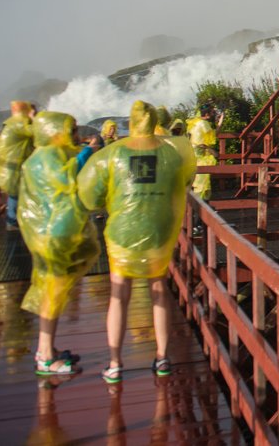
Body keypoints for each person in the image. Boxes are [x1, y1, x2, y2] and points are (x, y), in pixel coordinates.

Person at [77, 100, 196, 384]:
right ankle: (163, 357)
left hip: (122, 233)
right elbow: (186, 179)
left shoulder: (113, 153)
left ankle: (116, 363)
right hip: (158, 232)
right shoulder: (171, 153)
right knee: (159, 291)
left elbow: (89, 196)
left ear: (129, 123)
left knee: (119, 296)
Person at [19, 111, 101, 376]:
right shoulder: (46, 158)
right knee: (51, 294)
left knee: (52, 292)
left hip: (50, 232)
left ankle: (49, 349)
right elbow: (67, 178)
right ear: (56, 131)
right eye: (72, 130)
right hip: (51, 235)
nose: (75, 135)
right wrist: (88, 152)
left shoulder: (45, 154)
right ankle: (44, 356)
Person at [0, 99, 35, 230]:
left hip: (6, 164)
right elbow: (36, 132)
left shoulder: (11, 123)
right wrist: (33, 118)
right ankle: (12, 221)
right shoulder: (19, 124)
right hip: (10, 165)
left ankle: (14, 218)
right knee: (15, 191)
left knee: (16, 190)